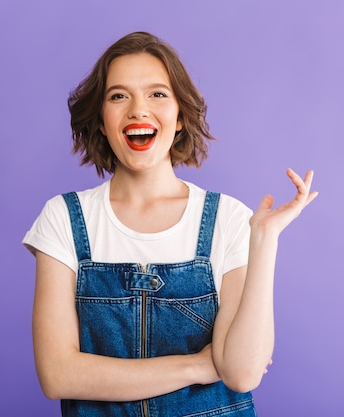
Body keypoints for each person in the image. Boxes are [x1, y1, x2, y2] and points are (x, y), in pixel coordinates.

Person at [23, 31, 318, 417]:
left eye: (157, 94)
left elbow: (243, 373)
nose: (138, 110)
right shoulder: (63, 218)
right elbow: (58, 374)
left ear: (180, 118)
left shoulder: (228, 218)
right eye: (118, 96)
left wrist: (264, 238)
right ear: (100, 121)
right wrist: (196, 365)